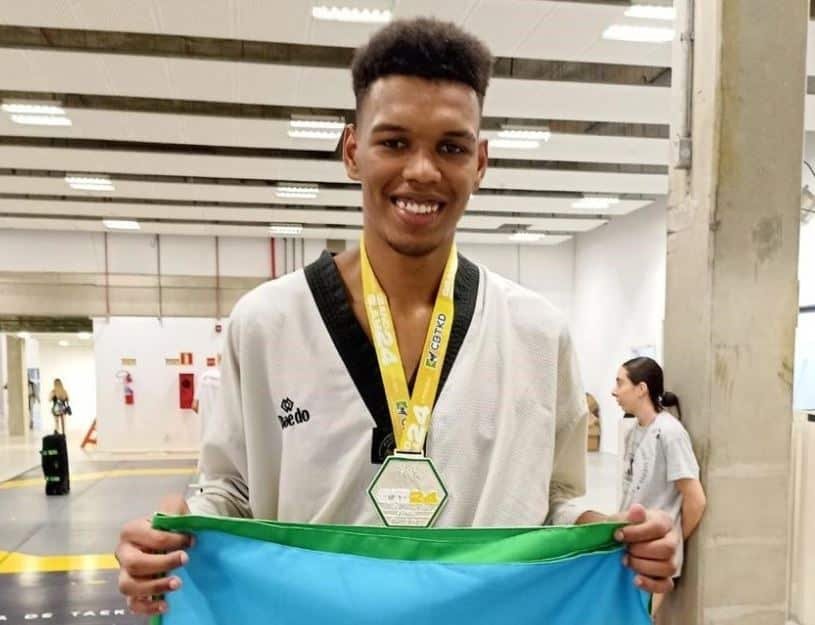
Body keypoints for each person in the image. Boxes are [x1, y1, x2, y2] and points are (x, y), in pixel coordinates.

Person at [116, 18, 678, 617]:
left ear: (480, 162)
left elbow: (557, 498)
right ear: (352, 151)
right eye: (394, 142)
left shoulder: (538, 334)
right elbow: (229, 492)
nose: (422, 171)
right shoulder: (266, 324)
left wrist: (610, 534)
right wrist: (169, 539)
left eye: (451, 147)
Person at [613, 357, 707, 613]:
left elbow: (696, 500)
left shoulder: (670, 433)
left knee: (641, 617)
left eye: (620, 383)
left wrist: (672, 539)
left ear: (641, 389)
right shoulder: (634, 431)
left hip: (655, 552)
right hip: (631, 547)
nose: (614, 391)